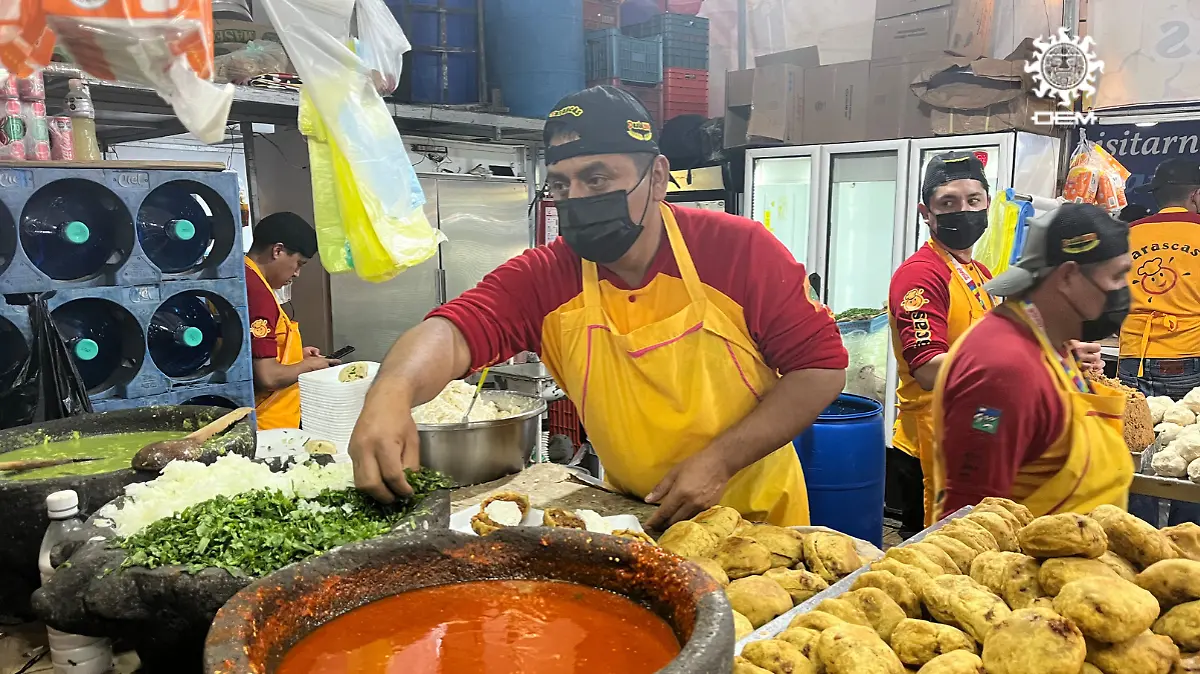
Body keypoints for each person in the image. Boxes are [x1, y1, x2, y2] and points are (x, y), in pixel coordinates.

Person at [348, 85, 848, 528]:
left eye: (597, 179)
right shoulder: (547, 276)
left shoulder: (737, 252)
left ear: (656, 177)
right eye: (562, 185)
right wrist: (391, 391)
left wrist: (720, 460)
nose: (577, 198)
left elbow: (820, 370)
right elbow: (454, 331)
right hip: (636, 514)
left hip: (756, 521)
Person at [931, 204, 1135, 519]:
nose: (1125, 291)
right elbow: (971, 519)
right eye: (1118, 275)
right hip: (1033, 563)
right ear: (1068, 276)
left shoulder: (1053, 342)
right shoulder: (1003, 372)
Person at [886, 152, 997, 535]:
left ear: (987, 205)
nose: (963, 211)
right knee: (933, 558)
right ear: (925, 213)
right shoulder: (922, 276)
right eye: (947, 203)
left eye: (973, 200)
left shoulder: (978, 272)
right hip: (931, 444)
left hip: (973, 431)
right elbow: (929, 368)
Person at [245, 212, 339, 430]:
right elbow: (267, 376)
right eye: (298, 263)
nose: (296, 274)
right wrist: (310, 366)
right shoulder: (257, 293)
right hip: (265, 424)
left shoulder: (244, 277)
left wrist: (296, 355)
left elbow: (248, 353)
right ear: (277, 251)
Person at [1118, 159, 1200, 398]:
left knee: (1132, 431)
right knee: (1183, 430)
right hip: (1188, 353)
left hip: (1133, 356)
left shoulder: (1126, 234)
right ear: (1195, 194)